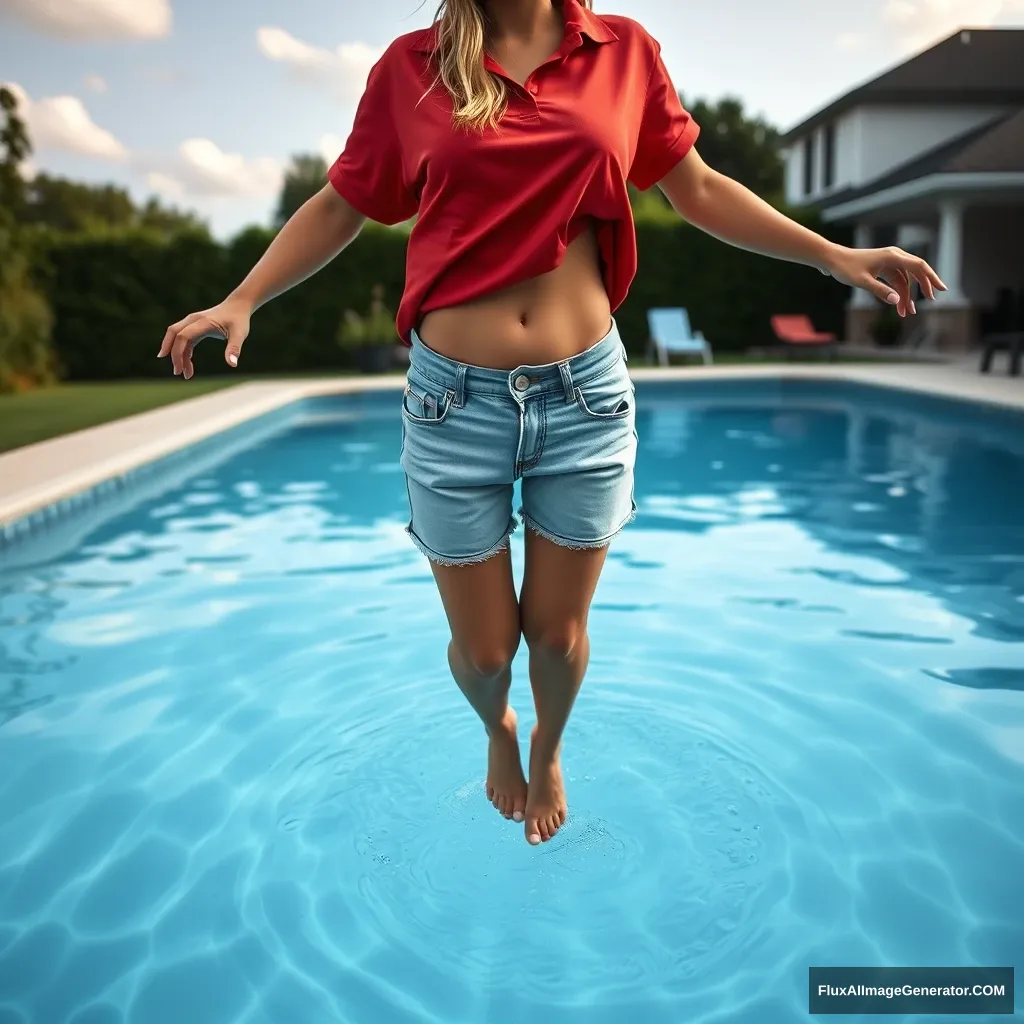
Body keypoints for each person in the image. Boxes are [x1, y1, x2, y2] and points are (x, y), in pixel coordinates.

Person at [158, 0, 945, 846]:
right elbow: (341, 202)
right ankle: (499, 727)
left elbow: (701, 189)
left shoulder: (624, 53)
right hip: (452, 404)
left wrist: (836, 254)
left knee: (559, 637)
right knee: (489, 652)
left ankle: (549, 740)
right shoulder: (413, 66)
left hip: (586, 398)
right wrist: (242, 297)